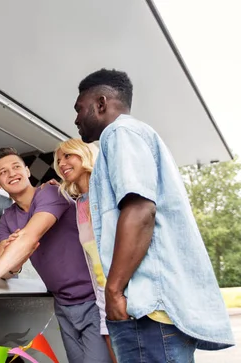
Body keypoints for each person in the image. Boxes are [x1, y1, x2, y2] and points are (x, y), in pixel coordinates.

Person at [73, 68, 234, 361]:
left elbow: (140, 210)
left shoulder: (120, 133)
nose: (75, 119)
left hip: (147, 309)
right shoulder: (136, 135)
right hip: (155, 311)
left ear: (101, 103)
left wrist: (114, 291)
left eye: (79, 108)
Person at [0, 147, 112, 363]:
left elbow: (30, 236)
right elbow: (6, 271)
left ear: (27, 171)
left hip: (94, 301)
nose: (12, 173)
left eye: (16, 167)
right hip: (63, 305)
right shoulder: (7, 217)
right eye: (3, 172)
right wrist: (18, 259)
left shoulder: (51, 193)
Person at [53, 139, 116, 363]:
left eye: (68, 156)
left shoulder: (108, 191)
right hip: (103, 300)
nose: (62, 163)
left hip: (124, 294)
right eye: (59, 160)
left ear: (85, 154)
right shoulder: (78, 203)